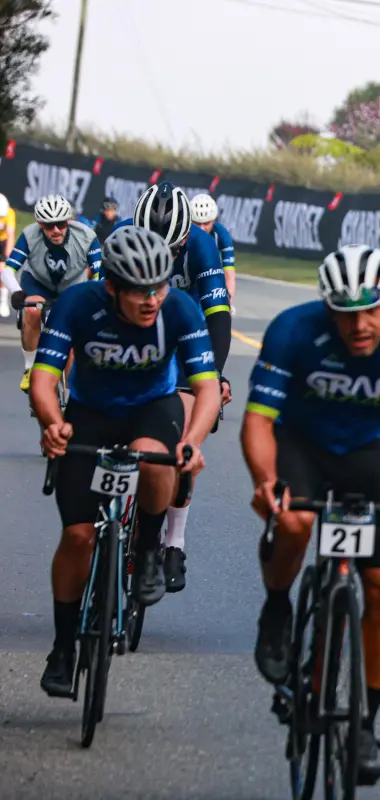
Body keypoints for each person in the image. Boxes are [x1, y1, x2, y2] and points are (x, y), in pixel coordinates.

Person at [242, 244, 380, 783]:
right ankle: (276, 609)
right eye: (344, 312)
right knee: (294, 521)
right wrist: (266, 483)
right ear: (326, 308)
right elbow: (259, 422)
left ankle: (364, 726)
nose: (359, 325)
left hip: (369, 453)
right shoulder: (293, 331)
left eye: (371, 310)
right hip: (301, 445)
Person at [32, 226, 219, 698]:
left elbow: (207, 387)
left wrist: (193, 442)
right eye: (139, 291)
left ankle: (150, 549)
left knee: (159, 461)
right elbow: (44, 376)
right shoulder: (78, 305)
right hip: (90, 415)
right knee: (77, 536)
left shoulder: (179, 307)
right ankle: (62, 647)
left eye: (158, 286)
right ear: (111, 286)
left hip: (151, 408)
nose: (151, 299)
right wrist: (52, 423)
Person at [102, 182, 233, 593]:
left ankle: (173, 541)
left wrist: (213, 376)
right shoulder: (119, 237)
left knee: (180, 442)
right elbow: (94, 305)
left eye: (173, 250)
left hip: (181, 335)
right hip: (128, 334)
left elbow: (218, 317)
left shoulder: (202, 245)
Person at [2, 194, 102, 392]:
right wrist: (15, 292)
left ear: (69, 222)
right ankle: (30, 367)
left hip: (72, 285)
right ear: (40, 225)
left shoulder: (87, 237)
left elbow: (100, 275)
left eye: (60, 224)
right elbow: (7, 270)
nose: (55, 230)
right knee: (32, 310)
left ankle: (71, 394)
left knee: (72, 343)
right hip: (38, 283)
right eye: (49, 226)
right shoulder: (30, 235)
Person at [189, 193, 236, 311]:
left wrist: (228, 300)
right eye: (197, 223)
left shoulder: (221, 234)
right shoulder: (182, 232)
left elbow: (229, 273)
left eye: (206, 223)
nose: (201, 228)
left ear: (214, 221)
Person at [0, 193, 17, 318]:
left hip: (3, 240)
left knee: (2, 270)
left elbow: (10, 234)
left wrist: (7, 256)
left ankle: (3, 300)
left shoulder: (10, 213)